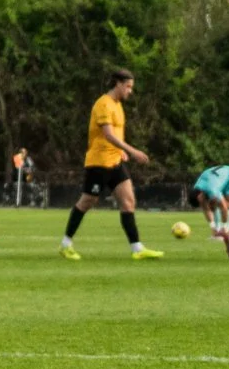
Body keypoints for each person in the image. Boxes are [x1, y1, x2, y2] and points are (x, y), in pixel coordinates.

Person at [60, 68, 162, 261]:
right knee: (87, 201)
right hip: (99, 163)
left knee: (128, 201)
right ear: (118, 84)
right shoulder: (103, 104)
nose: (130, 91)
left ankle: (137, 248)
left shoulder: (118, 105)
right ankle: (65, 245)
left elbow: (116, 136)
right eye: (128, 86)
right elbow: (107, 134)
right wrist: (132, 151)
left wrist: (121, 151)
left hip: (115, 162)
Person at [192, 161, 229, 253]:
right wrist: (212, 227)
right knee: (211, 204)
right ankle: (217, 231)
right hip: (221, 178)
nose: (203, 205)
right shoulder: (198, 187)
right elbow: (205, 207)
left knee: (227, 204)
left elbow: (224, 207)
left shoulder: (212, 189)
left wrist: (224, 227)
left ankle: (225, 231)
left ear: (200, 196)